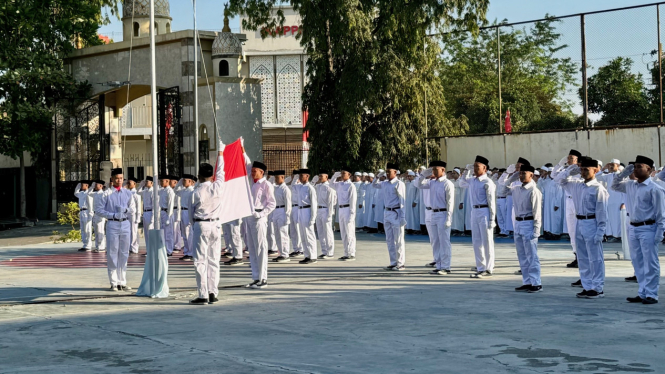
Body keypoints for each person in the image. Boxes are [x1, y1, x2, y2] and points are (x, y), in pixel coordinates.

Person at [556, 157, 609, 299]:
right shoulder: (577, 185)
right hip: (579, 222)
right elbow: (559, 180)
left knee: (595, 258)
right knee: (583, 257)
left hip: (592, 223)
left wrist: (601, 231)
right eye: (582, 169)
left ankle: (598, 288)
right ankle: (587, 285)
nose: (583, 172)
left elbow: (602, 212)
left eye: (587, 169)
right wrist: (569, 170)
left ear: (595, 170)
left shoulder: (598, 189)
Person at [616, 156, 665, 304]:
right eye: (634, 167)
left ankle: (651, 294)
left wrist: (659, 235)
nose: (635, 169)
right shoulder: (630, 185)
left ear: (649, 169)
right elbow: (614, 185)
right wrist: (624, 172)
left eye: (639, 166)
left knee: (650, 263)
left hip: (648, 228)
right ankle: (642, 292)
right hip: (633, 228)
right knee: (637, 262)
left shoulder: (655, 189)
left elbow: (661, 214)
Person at [189, 142, 225, 304]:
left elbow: (190, 214)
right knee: (214, 259)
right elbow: (221, 172)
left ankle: (203, 294)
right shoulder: (218, 187)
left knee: (200, 260)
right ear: (211, 176)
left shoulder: (196, 192)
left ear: (198, 175)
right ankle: (213, 292)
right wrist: (220, 153)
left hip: (201, 224)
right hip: (216, 225)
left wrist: (195, 225)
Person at [499, 164, 543, 292]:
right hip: (518, 223)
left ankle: (536, 282)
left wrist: (536, 230)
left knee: (531, 255)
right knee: (522, 255)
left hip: (529, 223)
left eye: (525, 173)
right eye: (520, 173)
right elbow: (502, 190)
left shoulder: (534, 191)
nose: (522, 175)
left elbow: (537, 213)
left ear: (532, 175)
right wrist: (511, 176)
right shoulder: (516, 188)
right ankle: (527, 281)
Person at [97, 168, 136, 291]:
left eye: (121, 178)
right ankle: (114, 281)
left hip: (125, 223)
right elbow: (99, 210)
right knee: (113, 252)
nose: (119, 181)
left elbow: (133, 209)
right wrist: (112, 215)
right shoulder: (106, 194)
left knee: (124, 253)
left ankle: (122, 281)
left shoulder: (128, 193)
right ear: (112, 179)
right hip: (113, 224)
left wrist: (125, 210)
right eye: (116, 178)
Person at [458, 156, 496, 278]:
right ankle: (480, 267)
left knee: (487, 241)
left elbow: (491, 202)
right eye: (474, 166)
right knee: (476, 241)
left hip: (484, 211)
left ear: (484, 168)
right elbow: (461, 182)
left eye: (477, 166)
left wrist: (492, 219)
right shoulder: (472, 180)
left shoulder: (487, 182)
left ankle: (488, 268)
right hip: (474, 211)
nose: (474, 168)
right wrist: (466, 170)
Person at [243, 158, 276, 289]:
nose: (252, 172)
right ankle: (256, 277)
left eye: (255, 171)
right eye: (252, 171)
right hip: (249, 216)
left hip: (259, 217)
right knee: (251, 247)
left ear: (261, 172)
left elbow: (272, 203)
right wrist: (243, 150)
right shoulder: (252, 183)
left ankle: (263, 278)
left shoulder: (266, 185)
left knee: (261, 248)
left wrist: (262, 214)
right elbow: (246, 164)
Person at [416, 161, 454, 274]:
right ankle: (439, 265)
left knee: (444, 241)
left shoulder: (447, 183)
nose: (433, 172)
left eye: (435, 169)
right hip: (433, 214)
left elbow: (450, 202)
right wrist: (423, 175)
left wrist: (448, 218)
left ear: (443, 170)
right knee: (435, 242)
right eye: (432, 170)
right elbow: (418, 185)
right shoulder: (432, 183)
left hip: (443, 214)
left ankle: (446, 267)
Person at [551, 149, 583, 268]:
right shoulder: (566, 170)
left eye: (571, 158)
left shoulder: (581, 171)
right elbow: (554, 176)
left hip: (578, 201)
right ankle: (576, 255)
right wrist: (560, 165)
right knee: (572, 230)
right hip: (568, 201)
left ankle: (583, 256)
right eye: (568, 158)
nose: (568, 160)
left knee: (580, 230)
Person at [373, 163, 407, 270]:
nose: (387, 174)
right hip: (387, 212)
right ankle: (393, 262)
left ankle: (400, 263)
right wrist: (378, 176)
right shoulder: (385, 183)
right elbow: (374, 184)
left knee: (398, 239)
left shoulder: (399, 184)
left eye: (389, 172)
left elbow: (402, 201)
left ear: (395, 172)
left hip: (396, 212)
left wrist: (402, 217)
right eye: (386, 172)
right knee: (389, 239)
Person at [330, 168, 358, 261]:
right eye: (341, 173)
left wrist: (352, 215)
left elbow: (353, 202)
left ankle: (351, 253)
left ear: (349, 175)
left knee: (349, 232)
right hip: (341, 209)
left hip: (348, 209)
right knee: (343, 233)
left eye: (344, 173)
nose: (342, 175)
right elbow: (331, 184)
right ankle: (346, 253)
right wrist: (335, 175)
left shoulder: (351, 186)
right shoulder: (340, 184)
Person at [293, 169, 318, 263]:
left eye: (301, 175)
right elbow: (293, 185)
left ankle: (313, 256)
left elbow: (314, 204)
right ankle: (307, 255)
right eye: (299, 175)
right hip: (300, 211)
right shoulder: (299, 187)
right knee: (303, 235)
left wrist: (312, 218)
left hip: (307, 210)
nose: (299, 177)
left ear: (307, 176)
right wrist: (296, 177)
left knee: (309, 235)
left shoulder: (310, 188)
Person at [596, 159, 625, 243]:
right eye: (610, 165)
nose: (611, 167)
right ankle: (611, 235)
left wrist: (623, 202)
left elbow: (624, 189)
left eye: (613, 165)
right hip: (610, 200)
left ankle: (618, 236)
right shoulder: (609, 176)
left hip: (618, 200)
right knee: (610, 219)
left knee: (617, 219)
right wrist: (603, 168)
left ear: (618, 166)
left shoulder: (621, 175)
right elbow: (597, 176)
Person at [271, 170, 292, 263]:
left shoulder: (285, 189)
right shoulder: (275, 188)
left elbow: (288, 204)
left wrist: (287, 216)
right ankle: (281, 253)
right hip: (276, 211)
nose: (275, 179)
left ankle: (285, 254)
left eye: (277, 177)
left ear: (282, 177)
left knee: (283, 234)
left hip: (283, 211)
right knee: (277, 233)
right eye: (275, 177)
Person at [175, 174, 197, 261]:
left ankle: (190, 253)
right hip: (183, 212)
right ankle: (187, 251)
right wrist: (179, 182)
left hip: (189, 211)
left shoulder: (192, 191)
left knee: (189, 233)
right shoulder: (183, 191)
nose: (183, 182)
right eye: (183, 180)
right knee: (184, 234)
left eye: (185, 180)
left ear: (190, 182)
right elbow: (175, 190)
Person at [315, 171, 337, 259]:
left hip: (325, 210)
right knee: (320, 232)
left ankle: (330, 252)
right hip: (318, 210)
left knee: (327, 232)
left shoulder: (329, 187)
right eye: (319, 176)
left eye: (321, 176)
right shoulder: (318, 186)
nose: (320, 177)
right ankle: (324, 251)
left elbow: (331, 202)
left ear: (327, 177)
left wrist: (330, 214)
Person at [89, 180, 110, 253]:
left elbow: (109, 191)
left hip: (101, 214)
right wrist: (92, 186)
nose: (95, 186)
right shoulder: (95, 194)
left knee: (100, 230)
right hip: (95, 214)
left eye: (96, 185)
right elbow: (88, 193)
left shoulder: (103, 193)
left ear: (101, 186)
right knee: (96, 231)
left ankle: (101, 247)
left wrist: (106, 185)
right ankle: (97, 246)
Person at [288, 170, 304, 258]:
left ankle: (300, 249)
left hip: (298, 208)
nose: (293, 178)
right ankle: (295, 248)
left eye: (295, 176)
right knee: (293, 230)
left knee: (298, 229)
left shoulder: (300, 186)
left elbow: (294, 183)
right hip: (292, 208)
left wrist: (296, 178)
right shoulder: (292, 186)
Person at [158, 175, 175, 256]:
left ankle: (169, 250)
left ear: (167, 181)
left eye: (162, 181)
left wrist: (169, 216)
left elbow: (170, 205)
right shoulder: (162, 191)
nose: (160, 182)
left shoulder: (170, 191)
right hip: (162, 212)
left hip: (168, 213)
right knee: (163, 233)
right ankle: (164, 249)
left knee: (168, 233)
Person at [74, 180, 94, 252]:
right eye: (81, 185)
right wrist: (78, 186)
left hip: (87, 211)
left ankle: (88, 244)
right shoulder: (81, 193)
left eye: (82, 185)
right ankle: (84, 244)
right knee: (82, 229)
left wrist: (90, 214)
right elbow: (75, 193)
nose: (81, 186)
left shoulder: (89, 193)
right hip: (81, 211)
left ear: (87, 185)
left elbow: (91, 205)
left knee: (87, 229)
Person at [138, 177, 154, 255]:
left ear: (152, 183)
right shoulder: (145, 191)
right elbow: (138, 192)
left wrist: (153, 218)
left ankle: (151, 250)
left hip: (151, 212)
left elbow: (154, 206)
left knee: (150, 233)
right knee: (146, 234)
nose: (146, 182)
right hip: (145, 213)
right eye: (146, 181)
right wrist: (141, 184)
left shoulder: (153, 192)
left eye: (147, 181)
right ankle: (148, 250)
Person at [126, 177, 142, 254]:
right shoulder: (127, 192)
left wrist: (138, 217)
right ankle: (130, 247)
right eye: (128, 183)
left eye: (130, 183)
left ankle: (134, 248)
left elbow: (138, 206)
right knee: (129, 231)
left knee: (134, 231)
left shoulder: (136, 193)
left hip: (133, 215)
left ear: (134, 184)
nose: (128, 184)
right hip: (127, 214)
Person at [169, 176, 184, 253]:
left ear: (175, 182)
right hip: (171, 211)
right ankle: (173, 244)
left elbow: (178, 204)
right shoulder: (171, 190)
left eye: (171, 181)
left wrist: (178, 216)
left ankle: (177, 245)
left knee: (176, 229)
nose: (169, 182)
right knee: (172, 229)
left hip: (176, 210)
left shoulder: (178, 190)